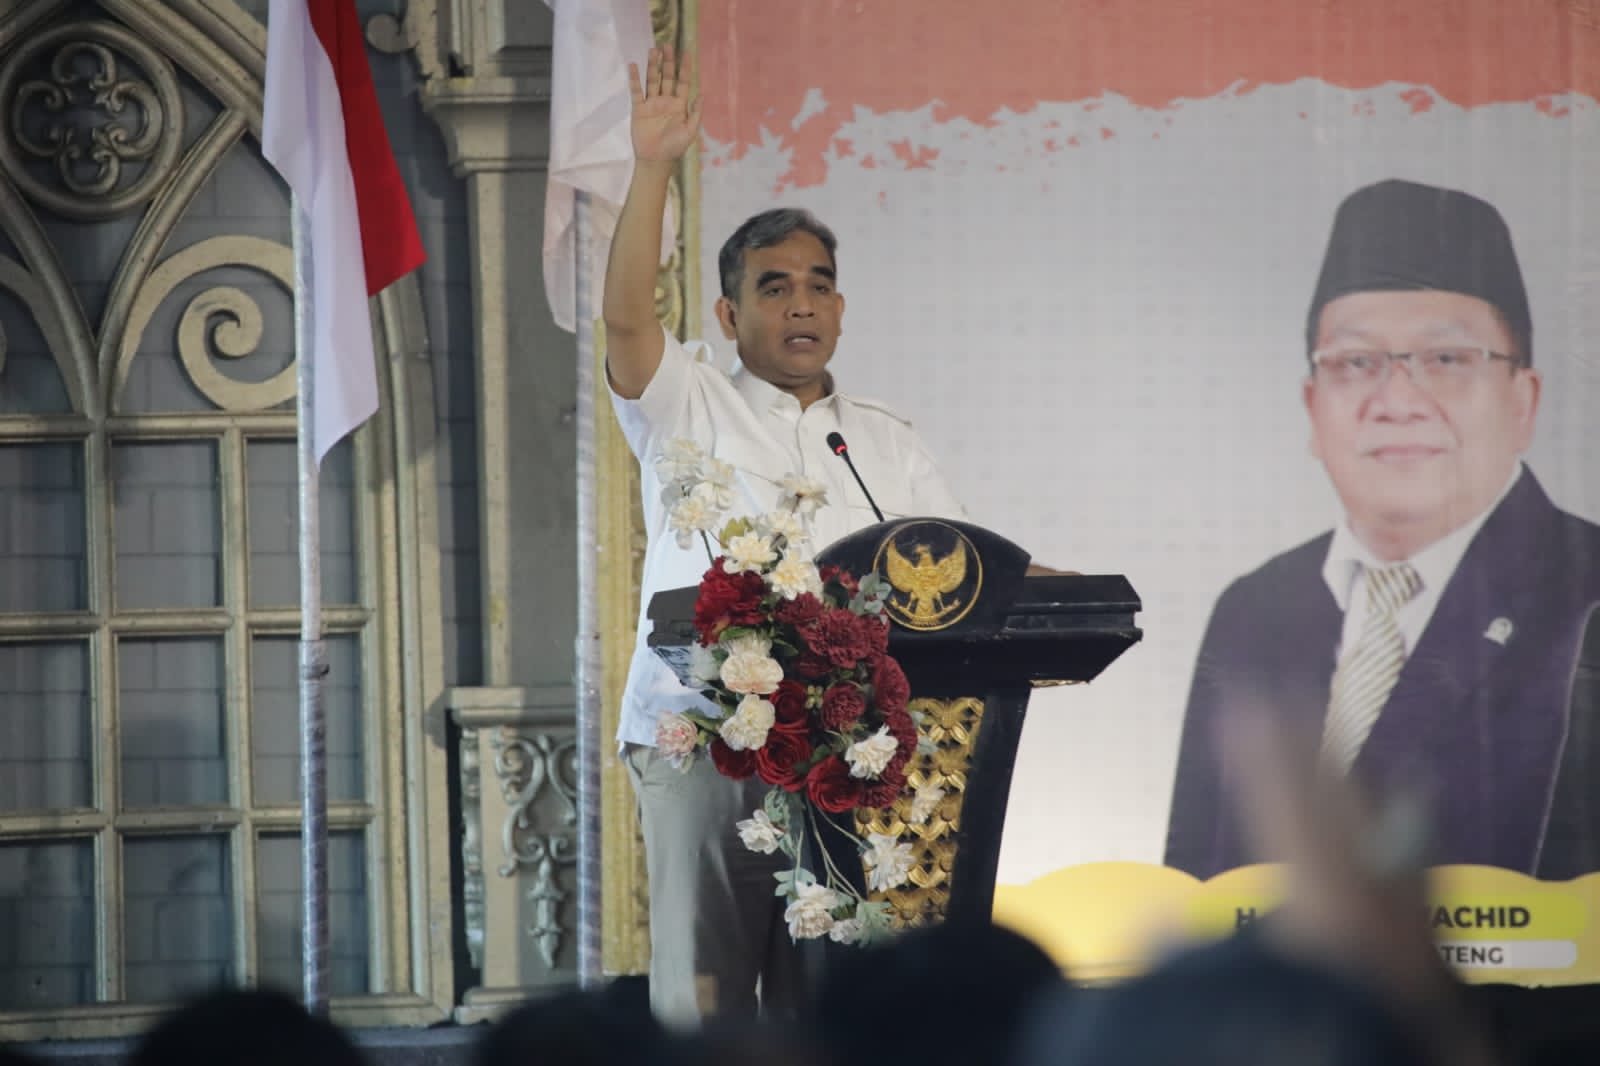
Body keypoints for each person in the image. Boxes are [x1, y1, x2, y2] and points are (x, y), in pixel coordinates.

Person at [603, 47, 966, 1026]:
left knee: (833, 1009)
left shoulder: (884, 442)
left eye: (818, 284)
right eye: (773, 286)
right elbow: (627, 321)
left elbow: (964, 577)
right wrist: (651, 168)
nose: (800, 302)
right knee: (705, 1001)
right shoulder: (687, 402)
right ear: (729, 314)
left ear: (839, 309)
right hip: (701, 736)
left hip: (848, 746)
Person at [1164, 178, 1600, 880]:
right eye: (1356, 362)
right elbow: (1194, 881)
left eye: (1446, 360)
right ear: (1313, 407)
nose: (1397, 401)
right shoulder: (1255, 608)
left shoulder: (1585, 587)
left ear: (1524, 401)